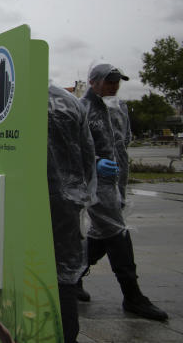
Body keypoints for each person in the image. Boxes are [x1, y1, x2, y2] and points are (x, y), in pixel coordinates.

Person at [79, 63, 167, 321]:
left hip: (116, 181)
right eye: (110, 80)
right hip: (96, 184)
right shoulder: (82, 109)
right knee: (117, 233)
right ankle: (133, 295)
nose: (115, 85)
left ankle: (71, 277)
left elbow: (123, 142)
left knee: (102, 233)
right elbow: (74, 147)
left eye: (118, 81)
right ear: (94, 81)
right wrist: (95, 162)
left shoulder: (118, 108)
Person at [46, 84, 97, 343]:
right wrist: (79, 193)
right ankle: (67, 335)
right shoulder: (70, 101)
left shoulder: (1, 101)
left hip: (17, 200)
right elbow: (87, 155)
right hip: (66, 201)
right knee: (62, 272)